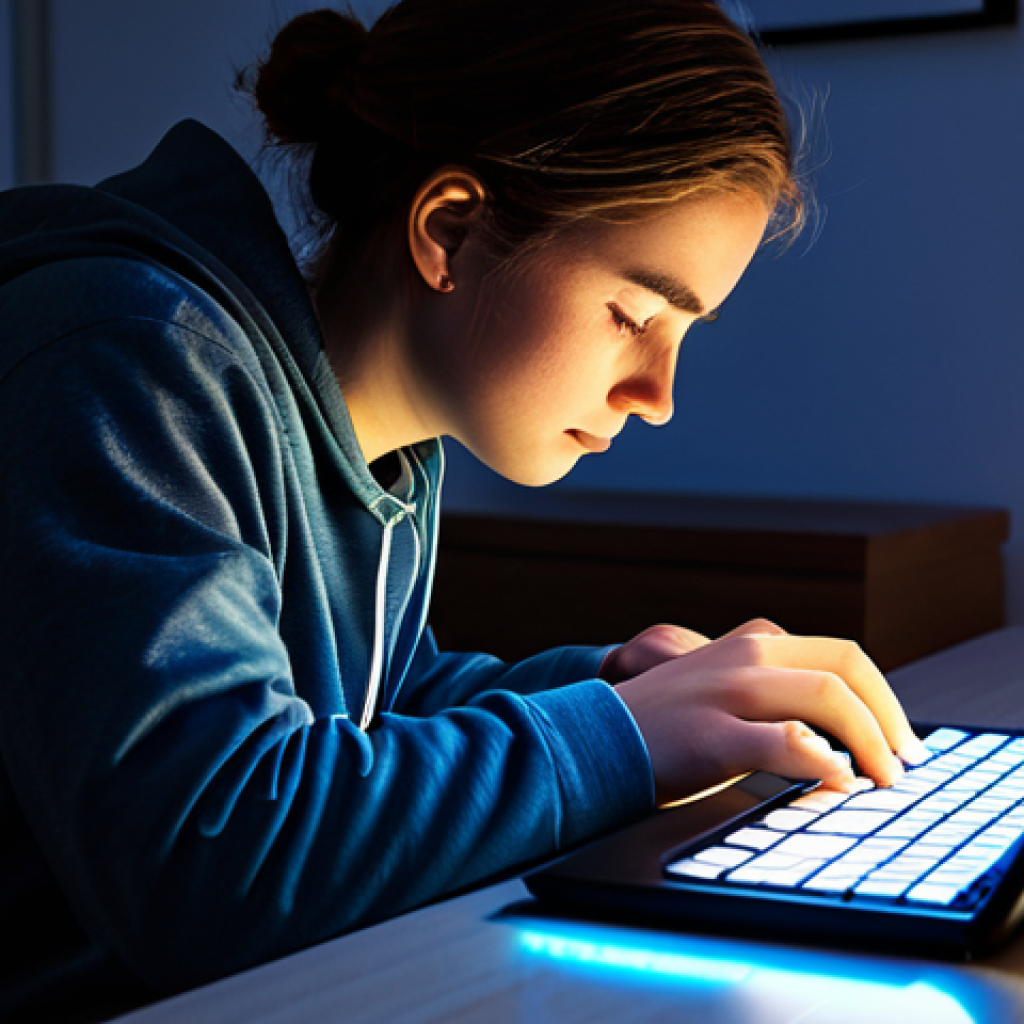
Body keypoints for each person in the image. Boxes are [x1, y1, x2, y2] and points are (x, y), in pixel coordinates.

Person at [0, 1, 928, 1019]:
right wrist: (618, 735)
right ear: (449, 229)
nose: (659, 394)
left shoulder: (381, 443)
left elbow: (362, 705)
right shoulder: (125, 359)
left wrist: (615, 687)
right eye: (633, 315)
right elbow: (208, 855)